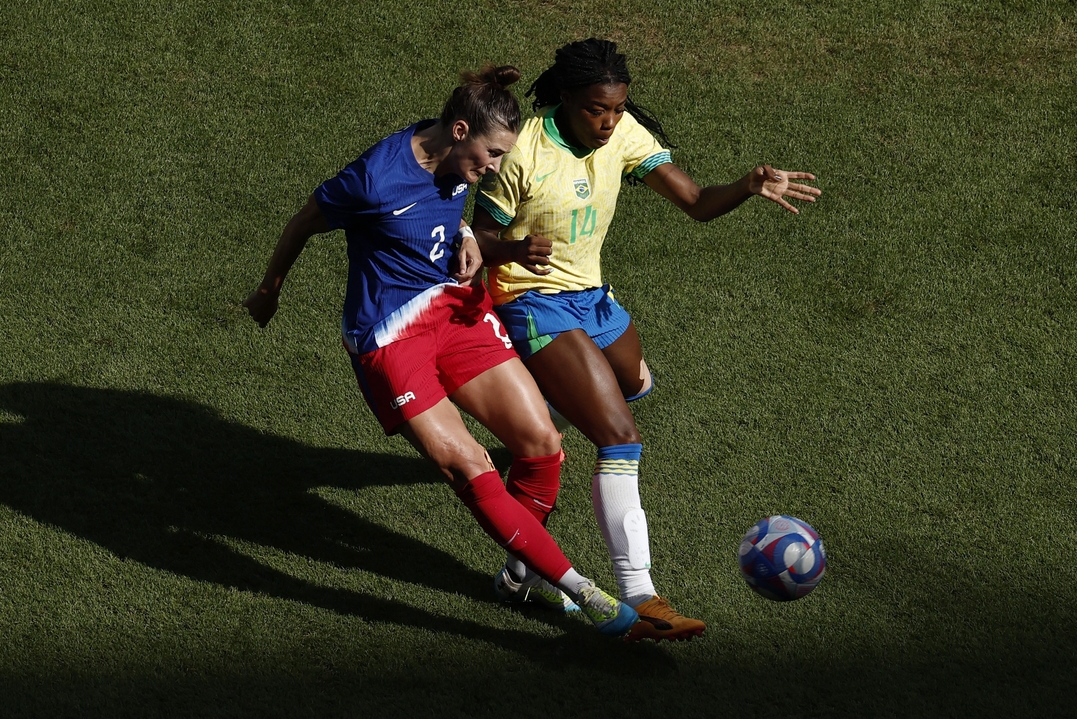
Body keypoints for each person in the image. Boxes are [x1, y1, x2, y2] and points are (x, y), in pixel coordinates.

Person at [244, 64, 639, 637]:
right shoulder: (374, 181)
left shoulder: (455, 149)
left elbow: (447, 210)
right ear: (459, 133)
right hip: (389, 336)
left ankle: (518, 573)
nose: (495, 170)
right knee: (468, 463)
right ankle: (581, 590)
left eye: (503, 156)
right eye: (491, 156)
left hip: (453, 312)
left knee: (543, 446)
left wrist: (472, 242)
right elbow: (305, 220)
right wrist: (268, 290)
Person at [472, 39, 821, 642]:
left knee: (635, 383)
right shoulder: (524, 151)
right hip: (531, 302)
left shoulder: (626, 133)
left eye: (617, 109)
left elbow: (694, 203)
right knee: (618, 437)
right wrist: (498, 284)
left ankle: (535, 441)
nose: (608, 123)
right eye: (596, 110)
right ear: (566, 99)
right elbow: (476, 242)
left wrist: (748, 185)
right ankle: (641, 593)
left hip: (591, 296)